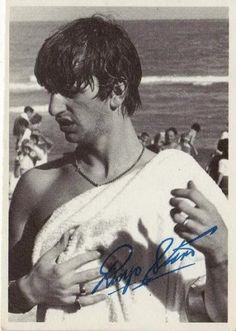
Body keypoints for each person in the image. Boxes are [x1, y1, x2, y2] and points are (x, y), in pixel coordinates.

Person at [9, 16, 228, 324]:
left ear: (117, 91)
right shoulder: (37, 187)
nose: (55, 108)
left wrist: (221, 258)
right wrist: (28, 290)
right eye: (50, 92)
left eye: (69, 91)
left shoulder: (179, 177)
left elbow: (223, 316)